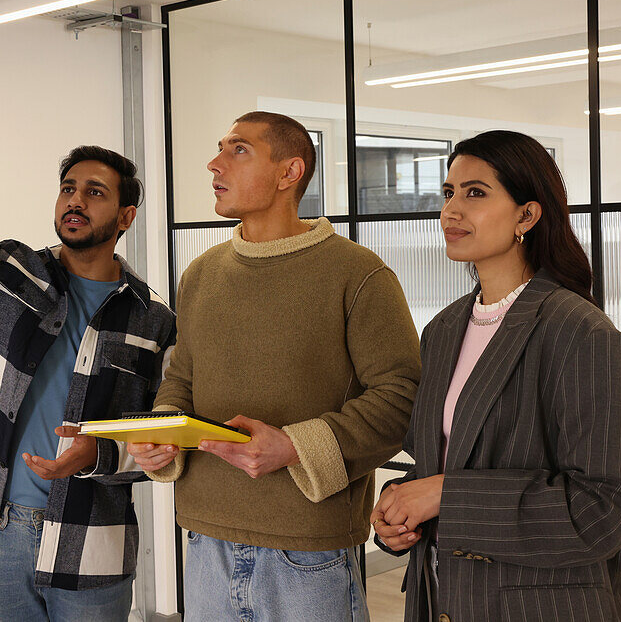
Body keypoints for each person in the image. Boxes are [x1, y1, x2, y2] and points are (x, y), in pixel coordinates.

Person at [0, 37, 176, 621]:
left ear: (126, 217)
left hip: (93, 542)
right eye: (69, 188)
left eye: (95, 193)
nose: (76, 201)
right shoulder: (15, 274)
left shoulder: (153, 319)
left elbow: (161, 439)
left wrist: (98, 453)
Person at [128, 111, 421, 622]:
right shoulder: (201, 274)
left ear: (290, 173)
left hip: (309, 553)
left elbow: (401, 397)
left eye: (238, 150)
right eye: (221, 148)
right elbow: (182, 379)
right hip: (204, 542)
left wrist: (293, 446)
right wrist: (163, 432)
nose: (214, 163)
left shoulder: (359, 274)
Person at [371, 130, 621, 622]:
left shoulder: (580, 334)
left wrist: (442, 496)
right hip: (443, 599)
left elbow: (604, 507)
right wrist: (397, 515)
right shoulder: (442, 331)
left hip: (544, 605)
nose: (452, 210)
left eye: (475, 193)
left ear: (527, 214)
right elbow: (439, 462)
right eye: (449, 193)